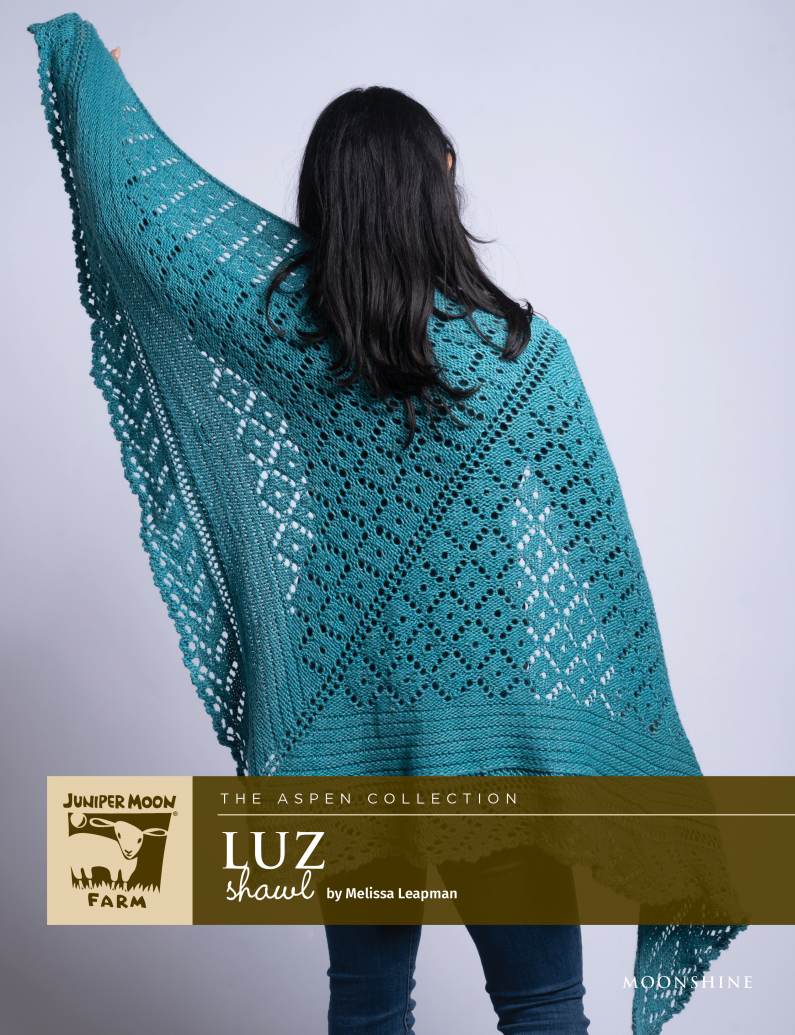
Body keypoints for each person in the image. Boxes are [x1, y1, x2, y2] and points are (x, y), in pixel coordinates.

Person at [30, 16, 744, 1035]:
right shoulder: (523, 360)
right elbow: (603, 570)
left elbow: (132, 216)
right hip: (490, 714)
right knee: (543, 1006)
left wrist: (91, 72)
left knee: (367, 1005)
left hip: (348, 706)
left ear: (323, 201)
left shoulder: (283, 332)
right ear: (437, 184)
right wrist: (649, 742)